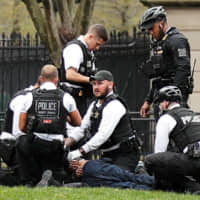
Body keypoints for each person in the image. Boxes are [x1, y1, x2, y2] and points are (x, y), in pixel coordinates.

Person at [16, 64, 81, 186]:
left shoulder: (29, 96)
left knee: (21, 141)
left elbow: (21, 126)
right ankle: (52, 179)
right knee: (55, 175)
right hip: (57, 147)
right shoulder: (66, 97)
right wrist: (63, 116)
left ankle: (29, 180)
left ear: (40, 79)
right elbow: (78, 122)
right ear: (57, 80)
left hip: (35, 145)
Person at [66, 70, 140, 172]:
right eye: (94, 84)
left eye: (100, 83)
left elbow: (103, 135)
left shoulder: (114, 105)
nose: (96, 87)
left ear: (110, 84)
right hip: (107, 155)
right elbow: (82, 129)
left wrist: (80, 151)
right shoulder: (94, 105)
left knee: (113, 180)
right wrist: (66, 144)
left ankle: (141, 174)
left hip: (125, 155)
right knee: (89, 174)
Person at [139, 6, 192, 120]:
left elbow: (183, 69)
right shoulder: (160, 43)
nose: (151, 32)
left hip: (175, 98)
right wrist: (149, 101)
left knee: (175, 132)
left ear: (161, 23)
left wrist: (171, 98)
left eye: (152, 28)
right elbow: (159, 77)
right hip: (162, 95)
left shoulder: (177, 41)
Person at [144, 85, 200, 193]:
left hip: (195, 161)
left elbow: (159, 153)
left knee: (151, 160)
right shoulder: (192, 114)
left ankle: (193, 187)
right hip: (195, 160)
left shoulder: (166, 118)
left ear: (165, 103)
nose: (159, 106)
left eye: (159, 103)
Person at [60, 24, 108, 117]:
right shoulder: (75, 48)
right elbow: (70, 74)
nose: (97, 48)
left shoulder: (88, 51)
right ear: (90, 37)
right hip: (71, 98)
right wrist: (92, 80)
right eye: (97, 44)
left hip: (82, 98)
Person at [67, 159, 154, 190]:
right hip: (90, 166)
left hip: (86, 179)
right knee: (130, 177)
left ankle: (156, 188)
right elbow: (108, 160)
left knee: (127, 185)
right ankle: (161, 184)